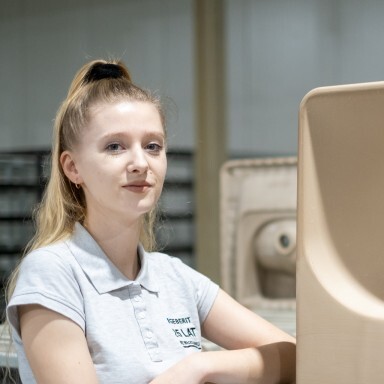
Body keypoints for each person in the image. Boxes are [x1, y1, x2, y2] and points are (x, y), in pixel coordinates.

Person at [6, 59, 296, 383]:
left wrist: (200, 367)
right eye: (115, 146)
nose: (141, 163)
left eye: (153, 146)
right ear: (72, 168)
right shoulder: (53, 273)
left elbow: (295, 355)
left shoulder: (175, 278)